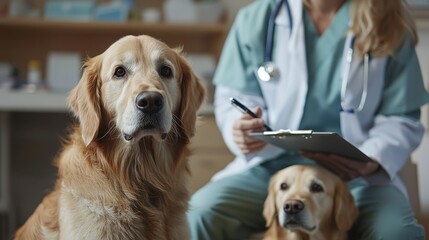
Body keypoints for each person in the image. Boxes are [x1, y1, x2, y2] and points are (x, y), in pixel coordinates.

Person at [187, 0, 429, 239]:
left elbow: (401, 117)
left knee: (399, 233)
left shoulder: (389, 20)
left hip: (357, 176)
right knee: (199, 215)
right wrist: (239, 129)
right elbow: (235, 98)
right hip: (271, 169)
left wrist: (373, 159)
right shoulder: (257, 19)